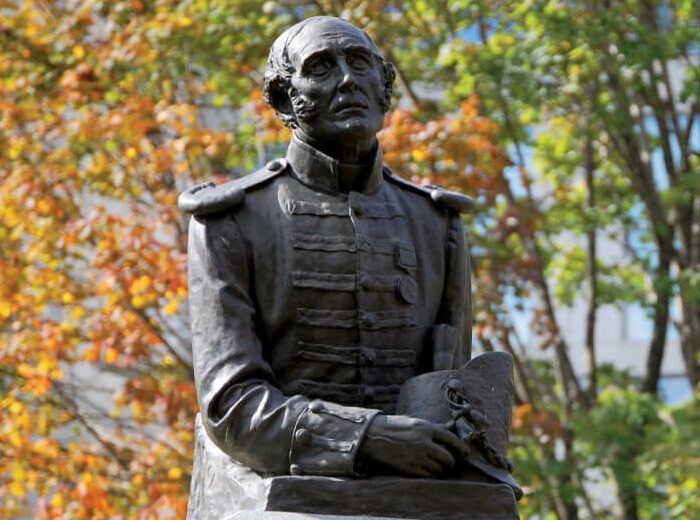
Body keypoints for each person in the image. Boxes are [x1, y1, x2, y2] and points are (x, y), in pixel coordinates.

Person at [180, 16, 475, 480]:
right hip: (287, 490)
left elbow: (454, 393)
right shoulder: (232, 221)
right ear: (282, 97)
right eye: (320, 67)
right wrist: (366, 437)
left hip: (417, 494)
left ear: (385, 84)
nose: (347, 80)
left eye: (360, 63)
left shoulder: (437, 223)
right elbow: (230, 405)